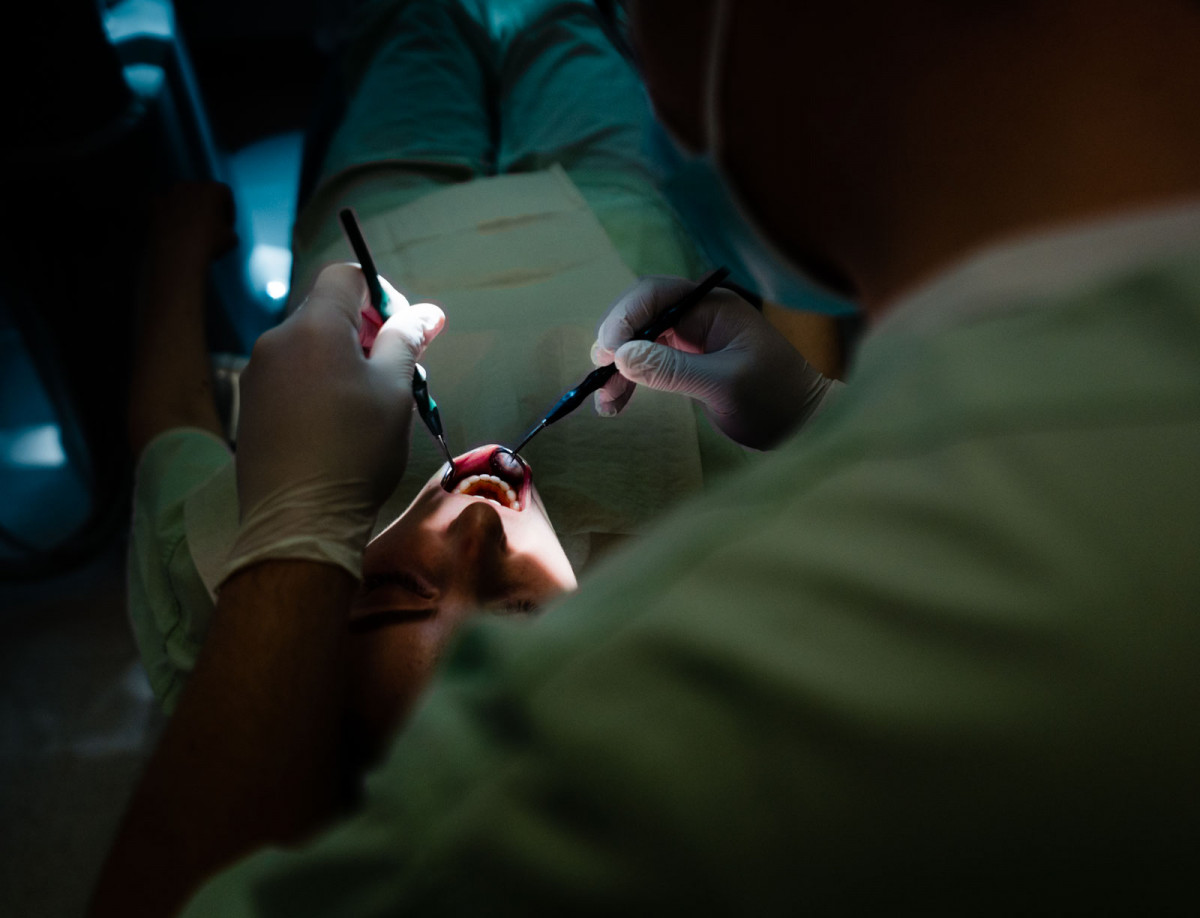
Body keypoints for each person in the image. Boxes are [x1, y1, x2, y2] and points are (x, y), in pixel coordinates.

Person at [95, 0, 1200, 915]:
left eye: (394, 600)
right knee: (561, 29)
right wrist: (813, 409)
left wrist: (288, 516)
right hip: (609, 203)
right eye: (522, 616)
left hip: (387, 206)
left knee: (412, 28)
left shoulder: (244, 644)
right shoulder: (744, 562)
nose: (475, 520)